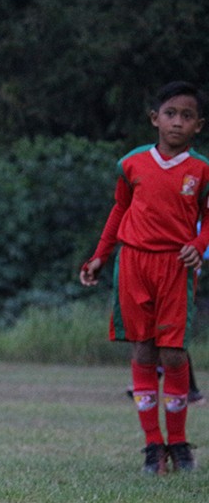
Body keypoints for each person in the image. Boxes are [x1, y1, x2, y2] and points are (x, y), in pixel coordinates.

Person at [80, 80, 209, 474]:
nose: (177, 122)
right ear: (155, 119)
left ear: (198, 125)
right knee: (143, 351)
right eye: (170, 114)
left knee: (172, 352)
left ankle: (180, 444)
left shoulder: (201, 170)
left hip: (175, 266)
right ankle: (154, 447)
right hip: (133, 263)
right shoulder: (132, 163)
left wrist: (199, 242)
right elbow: (119, 211)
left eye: (187, 116)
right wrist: (100, 256)